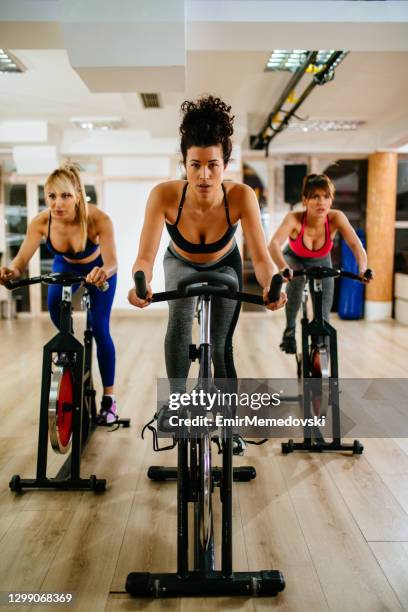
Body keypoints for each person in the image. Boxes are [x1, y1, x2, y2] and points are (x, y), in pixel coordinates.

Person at [128, 96, 286, 450]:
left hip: (224, 265)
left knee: (220, 346)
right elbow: (145, 257)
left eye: (213, 165)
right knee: (180, 324)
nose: (203, 175)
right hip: (179, 263)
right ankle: (177, 404)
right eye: (194, 165)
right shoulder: (164, 195)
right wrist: (141, 282)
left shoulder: (242, 196)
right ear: (183, 163)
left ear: (226, 163)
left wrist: (271, 287)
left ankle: (228, 427)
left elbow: (261, 259)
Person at [0, 164, 119, 424]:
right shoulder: (41, 222)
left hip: (97, 270)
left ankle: (109, 401)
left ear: (78, 195)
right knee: (54, 305)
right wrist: (11, 270)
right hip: (65, 266)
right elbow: (20, 262)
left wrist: (103, 272)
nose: (57, 203)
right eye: (52, 196)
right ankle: (70, 349)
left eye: (65, 196)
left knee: (100, 328)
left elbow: (112, 263)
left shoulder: (98, 219)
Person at [268, 172, 369, 354]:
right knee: (296, 281)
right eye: (315, 196)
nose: (321, 202)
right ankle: (289, 332)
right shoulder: (294, 219)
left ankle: (319, 347)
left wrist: (363, 269)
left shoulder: (336, 218)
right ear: (305, 201)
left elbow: (356, 244)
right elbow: (273, 244)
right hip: (294, 257)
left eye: (326, 196)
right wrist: (283, 268)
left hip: (322, 260)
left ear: (331, 200)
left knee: (324, 314)